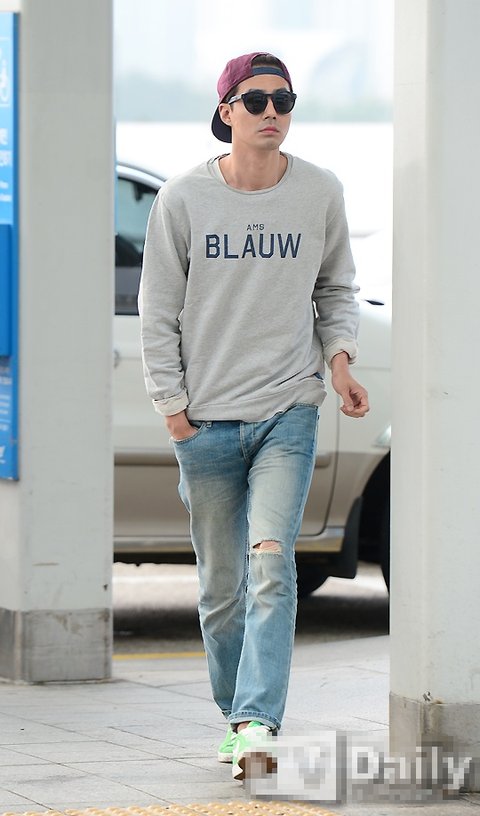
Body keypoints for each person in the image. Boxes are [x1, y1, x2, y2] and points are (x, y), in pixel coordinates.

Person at [138, 51, 369, 781]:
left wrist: (339, 361)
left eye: (284, 100)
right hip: (205, 421)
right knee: (220, 590)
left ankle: (257, 723)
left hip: (287, 410)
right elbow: (157, 312)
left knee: (272, 566)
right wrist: (174, 410)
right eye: (257, 99)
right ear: (226, 111)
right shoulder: (182, 199)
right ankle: (236, 712)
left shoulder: (319, 192)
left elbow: (336, 288)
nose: (272, 111)